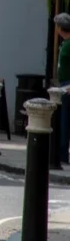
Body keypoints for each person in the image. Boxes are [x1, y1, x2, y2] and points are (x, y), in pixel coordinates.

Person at [52, 13, 70, 164]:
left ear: (60, 28)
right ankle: (61, 153)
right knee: (63, 121)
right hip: (63, 85)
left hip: (68, 86)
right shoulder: (65, 43)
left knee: (65, 121)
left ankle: (63, 155)